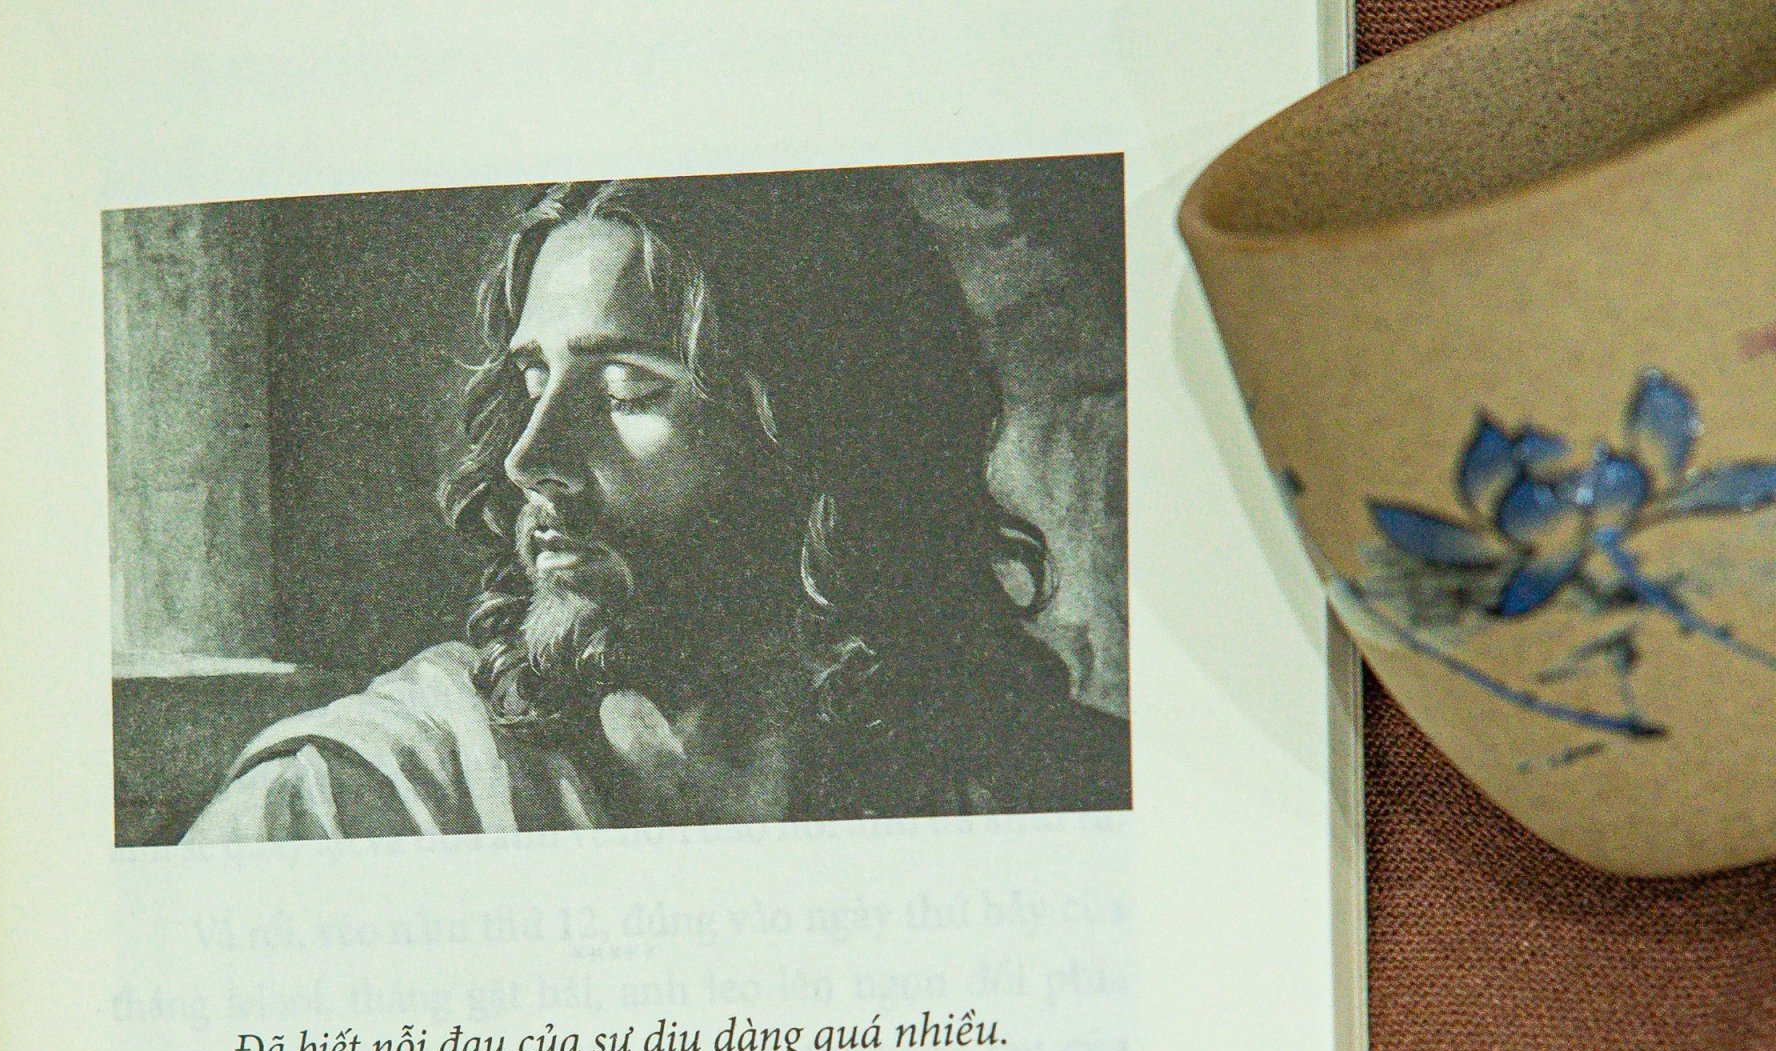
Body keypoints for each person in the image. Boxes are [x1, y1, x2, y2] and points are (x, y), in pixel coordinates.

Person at [184, 172, 1128, 842]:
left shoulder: (1054, 787)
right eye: (532, 381)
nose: (529, 458)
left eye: (627, 391)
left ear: (829, 430)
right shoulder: (347, 804)